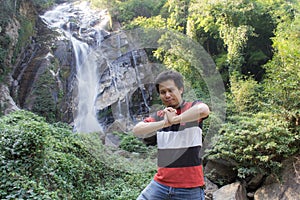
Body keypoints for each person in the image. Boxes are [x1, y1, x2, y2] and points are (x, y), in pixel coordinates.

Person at [133, 70, 210, 200]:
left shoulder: (192, 107)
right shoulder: (159, 116)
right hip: (160, 185)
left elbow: (203, 110)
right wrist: (164, 123)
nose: (167, 95)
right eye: (163, 92)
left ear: (180, 89)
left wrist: (175, 119)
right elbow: (137, 130)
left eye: (171, 90)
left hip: (190, 188)